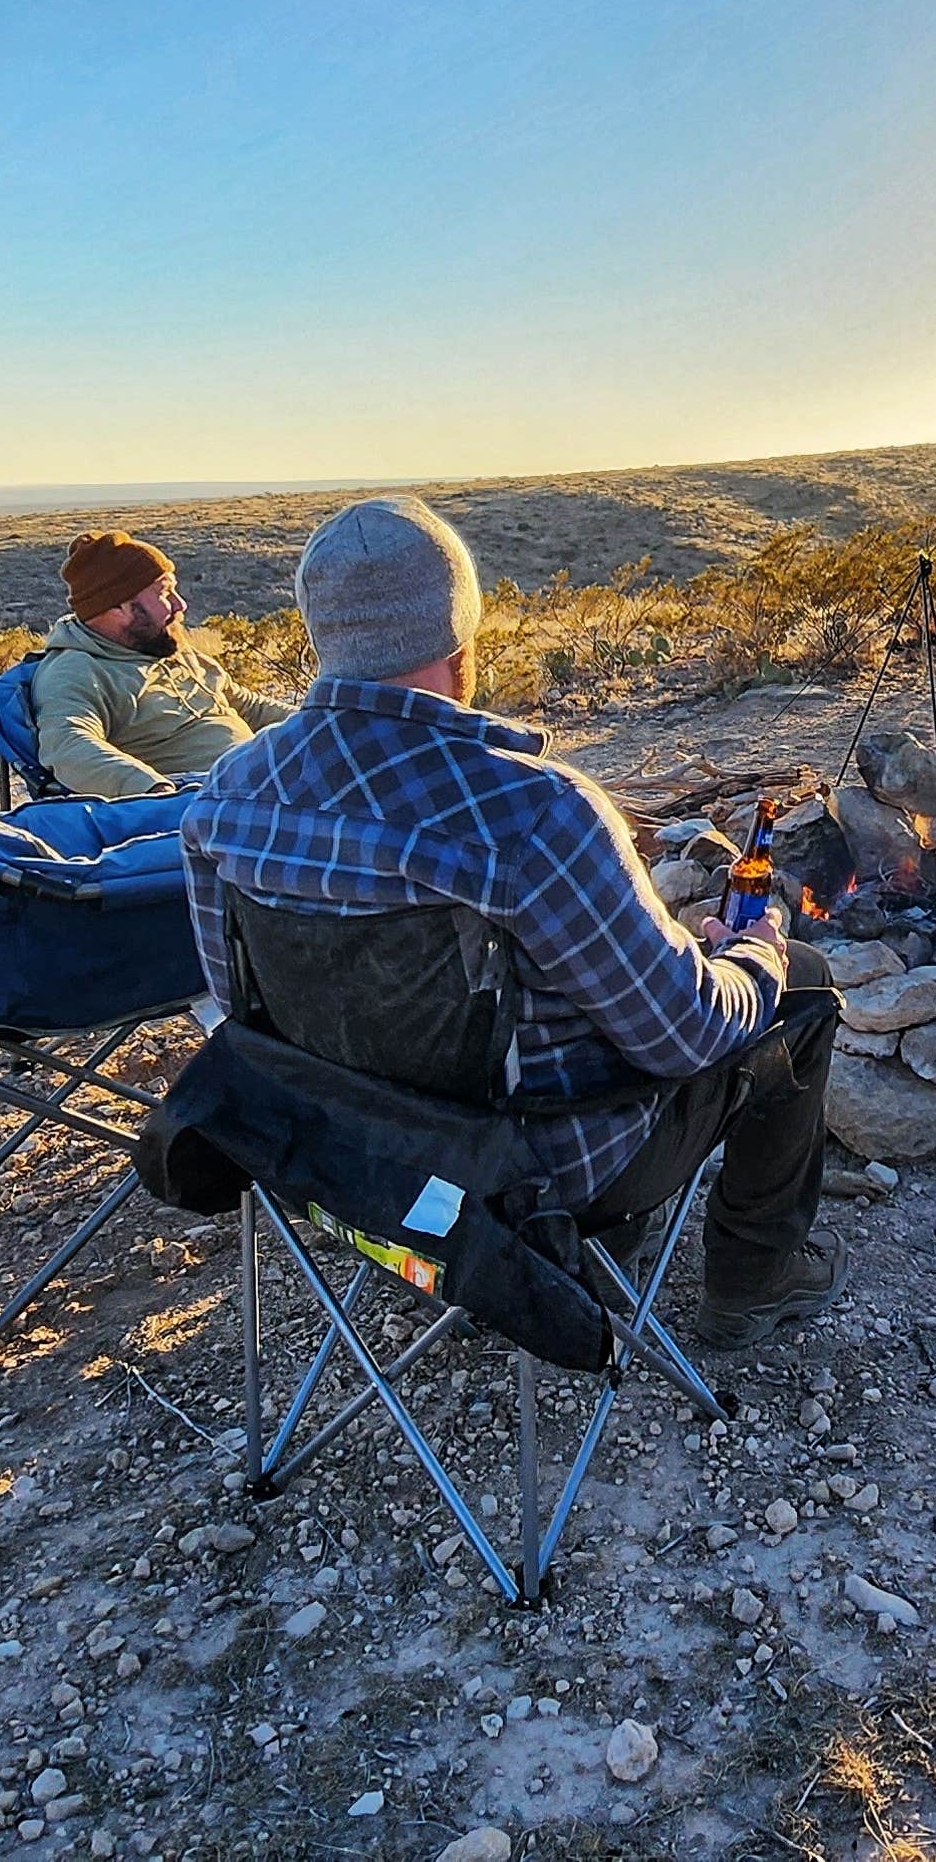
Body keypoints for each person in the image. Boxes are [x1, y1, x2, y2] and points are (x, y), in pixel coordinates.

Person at [175, 496, 846, 1349]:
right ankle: (754, 1283)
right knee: (805, 990)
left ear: (321, 635)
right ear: (462, 645)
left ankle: (613, 1253)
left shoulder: (225, 796)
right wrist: (755, 950)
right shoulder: (535, 811)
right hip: (524, 1177)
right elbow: (687, 1037)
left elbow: (239, 1008)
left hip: (350, 1155)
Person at [26, 531, 293, 798]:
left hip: (265, 777)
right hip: (212, 801)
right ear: (118, 607)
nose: (181, 604)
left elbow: (248, 706)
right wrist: (151, 787)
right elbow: (68, 746)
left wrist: (321, 719)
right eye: (165, 593)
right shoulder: (77, 671)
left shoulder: (163, 646)